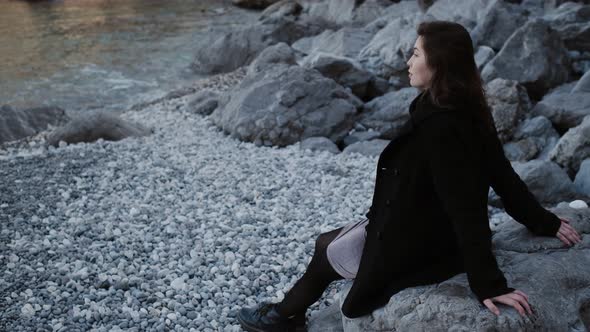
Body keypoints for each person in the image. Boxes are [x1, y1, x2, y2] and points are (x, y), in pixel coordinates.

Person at [236, 20, 583, 332]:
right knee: (325, 242)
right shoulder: (463, 105)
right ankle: (287, 314)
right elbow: (502, 174)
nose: (408, 62)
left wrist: (489, 285)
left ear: (439, 64)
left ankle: (281, 318)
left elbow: (467, 209)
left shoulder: (442, 125)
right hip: (414, 224)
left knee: (330, 253)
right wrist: (544, 222)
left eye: (416, 54)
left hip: (424, 243)